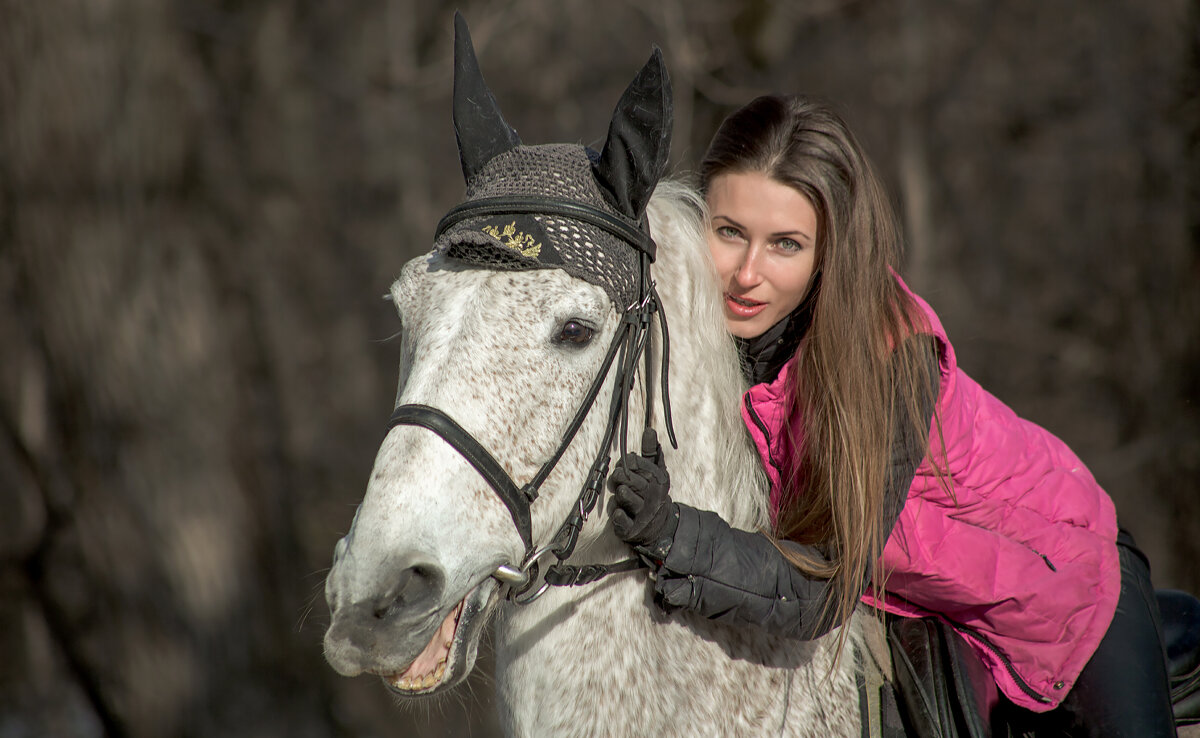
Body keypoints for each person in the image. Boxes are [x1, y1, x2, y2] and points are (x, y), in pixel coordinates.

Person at [607, 94, 1176, 737]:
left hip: (1066, 575)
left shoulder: (885, 359)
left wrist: (674, 535)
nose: (746, 274)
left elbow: (820, 584)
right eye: (729, 231)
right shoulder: (699, 322)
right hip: (918, 588)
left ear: (829, 254)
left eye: (785, 245)